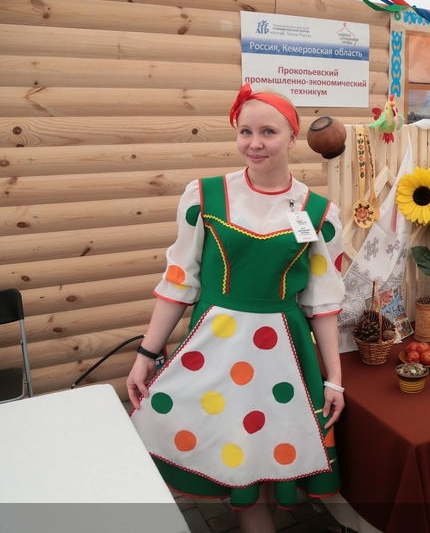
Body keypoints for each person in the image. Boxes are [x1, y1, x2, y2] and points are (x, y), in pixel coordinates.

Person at [126, 83, 346, 533]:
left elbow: (323, 303)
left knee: (264, 456)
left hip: (281, 356)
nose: (255, 143)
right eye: (245, 131)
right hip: (215, 351)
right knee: (236, 464)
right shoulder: (203, 197)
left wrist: (334, 379)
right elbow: (178, 282)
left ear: (291, 136)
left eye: (268, 131)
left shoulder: (320, 212)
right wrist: (146, 354)